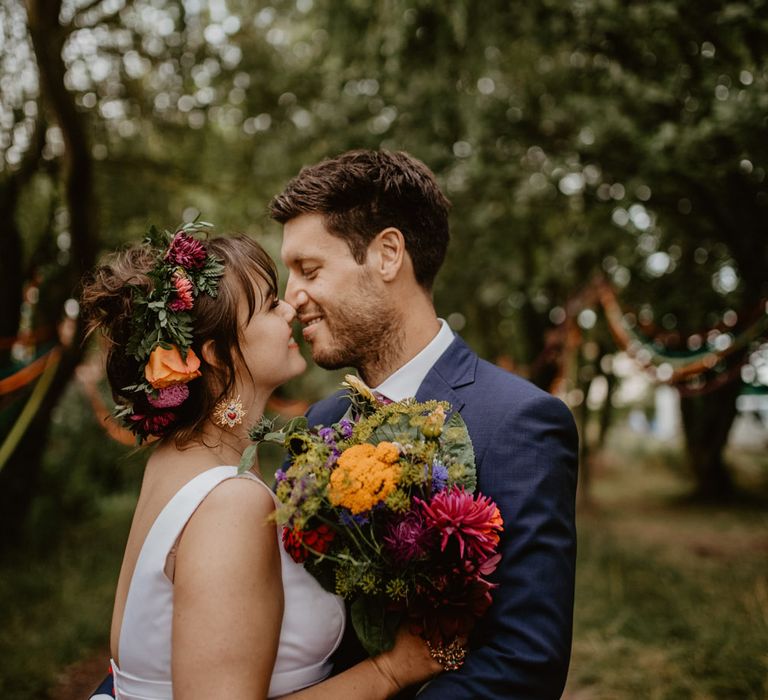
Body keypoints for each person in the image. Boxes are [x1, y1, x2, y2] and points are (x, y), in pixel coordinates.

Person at [270, 149, 579, 699]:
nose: (292, 300)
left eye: (309, 270)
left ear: (388, 254)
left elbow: (525, 663)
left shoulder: (519, 422)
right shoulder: (319, 424)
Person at [82, 230, 440, 700]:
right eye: (270, 304)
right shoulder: (230, 502)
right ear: (216, 353)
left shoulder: (178, 458)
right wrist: (389, 673)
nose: (291, 308)